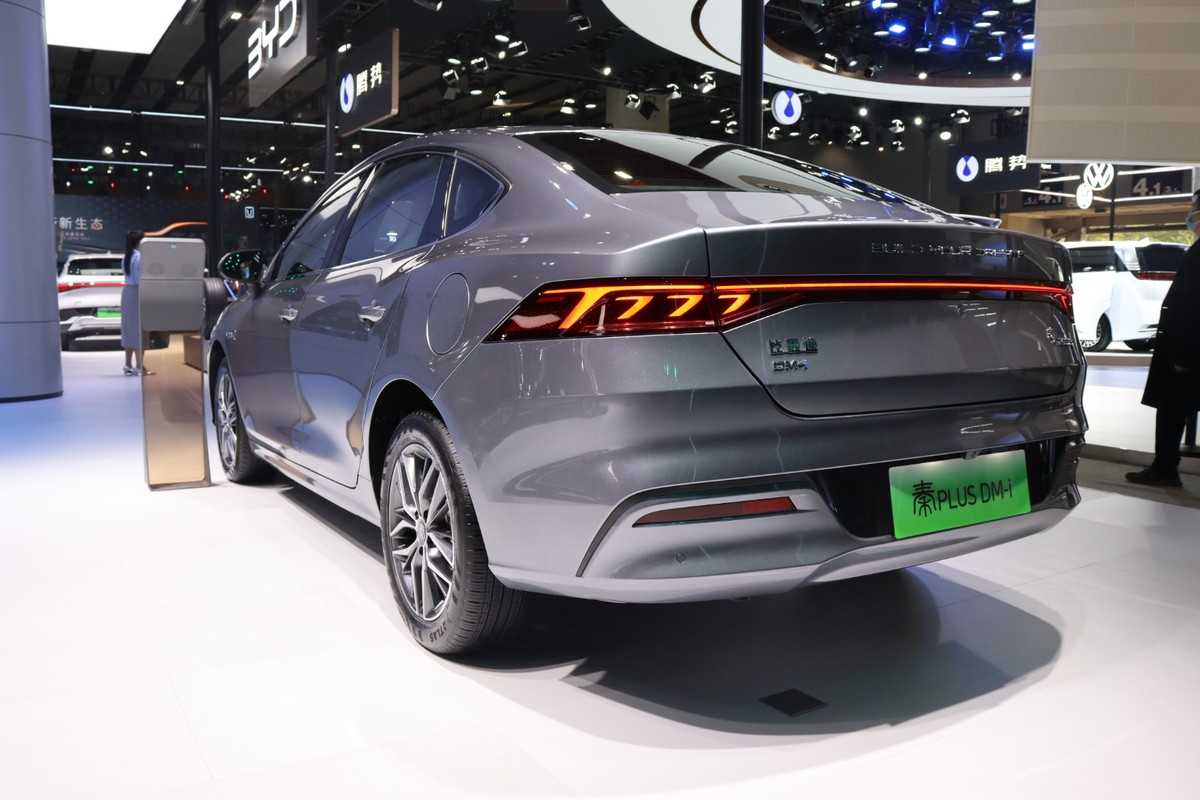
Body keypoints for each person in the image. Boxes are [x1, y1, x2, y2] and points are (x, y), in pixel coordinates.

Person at [1125, 191, 1200, 487]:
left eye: (1193, 209)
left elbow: (1193, 305)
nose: (1190, 216)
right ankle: (1165, 466)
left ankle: (1165, 468)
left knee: (1171, 407)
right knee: (1173, 407)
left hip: (1186, 349)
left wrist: (1184, 354)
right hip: (1186, 346)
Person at [119, 229, 148, 376]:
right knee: (138, 331)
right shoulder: (140, 257)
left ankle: (128, 364)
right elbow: (141, 280)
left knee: (128, 330)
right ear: (139, 242)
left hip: (127, 293)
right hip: (137, 293)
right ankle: (139, 366)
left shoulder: (126, 257)